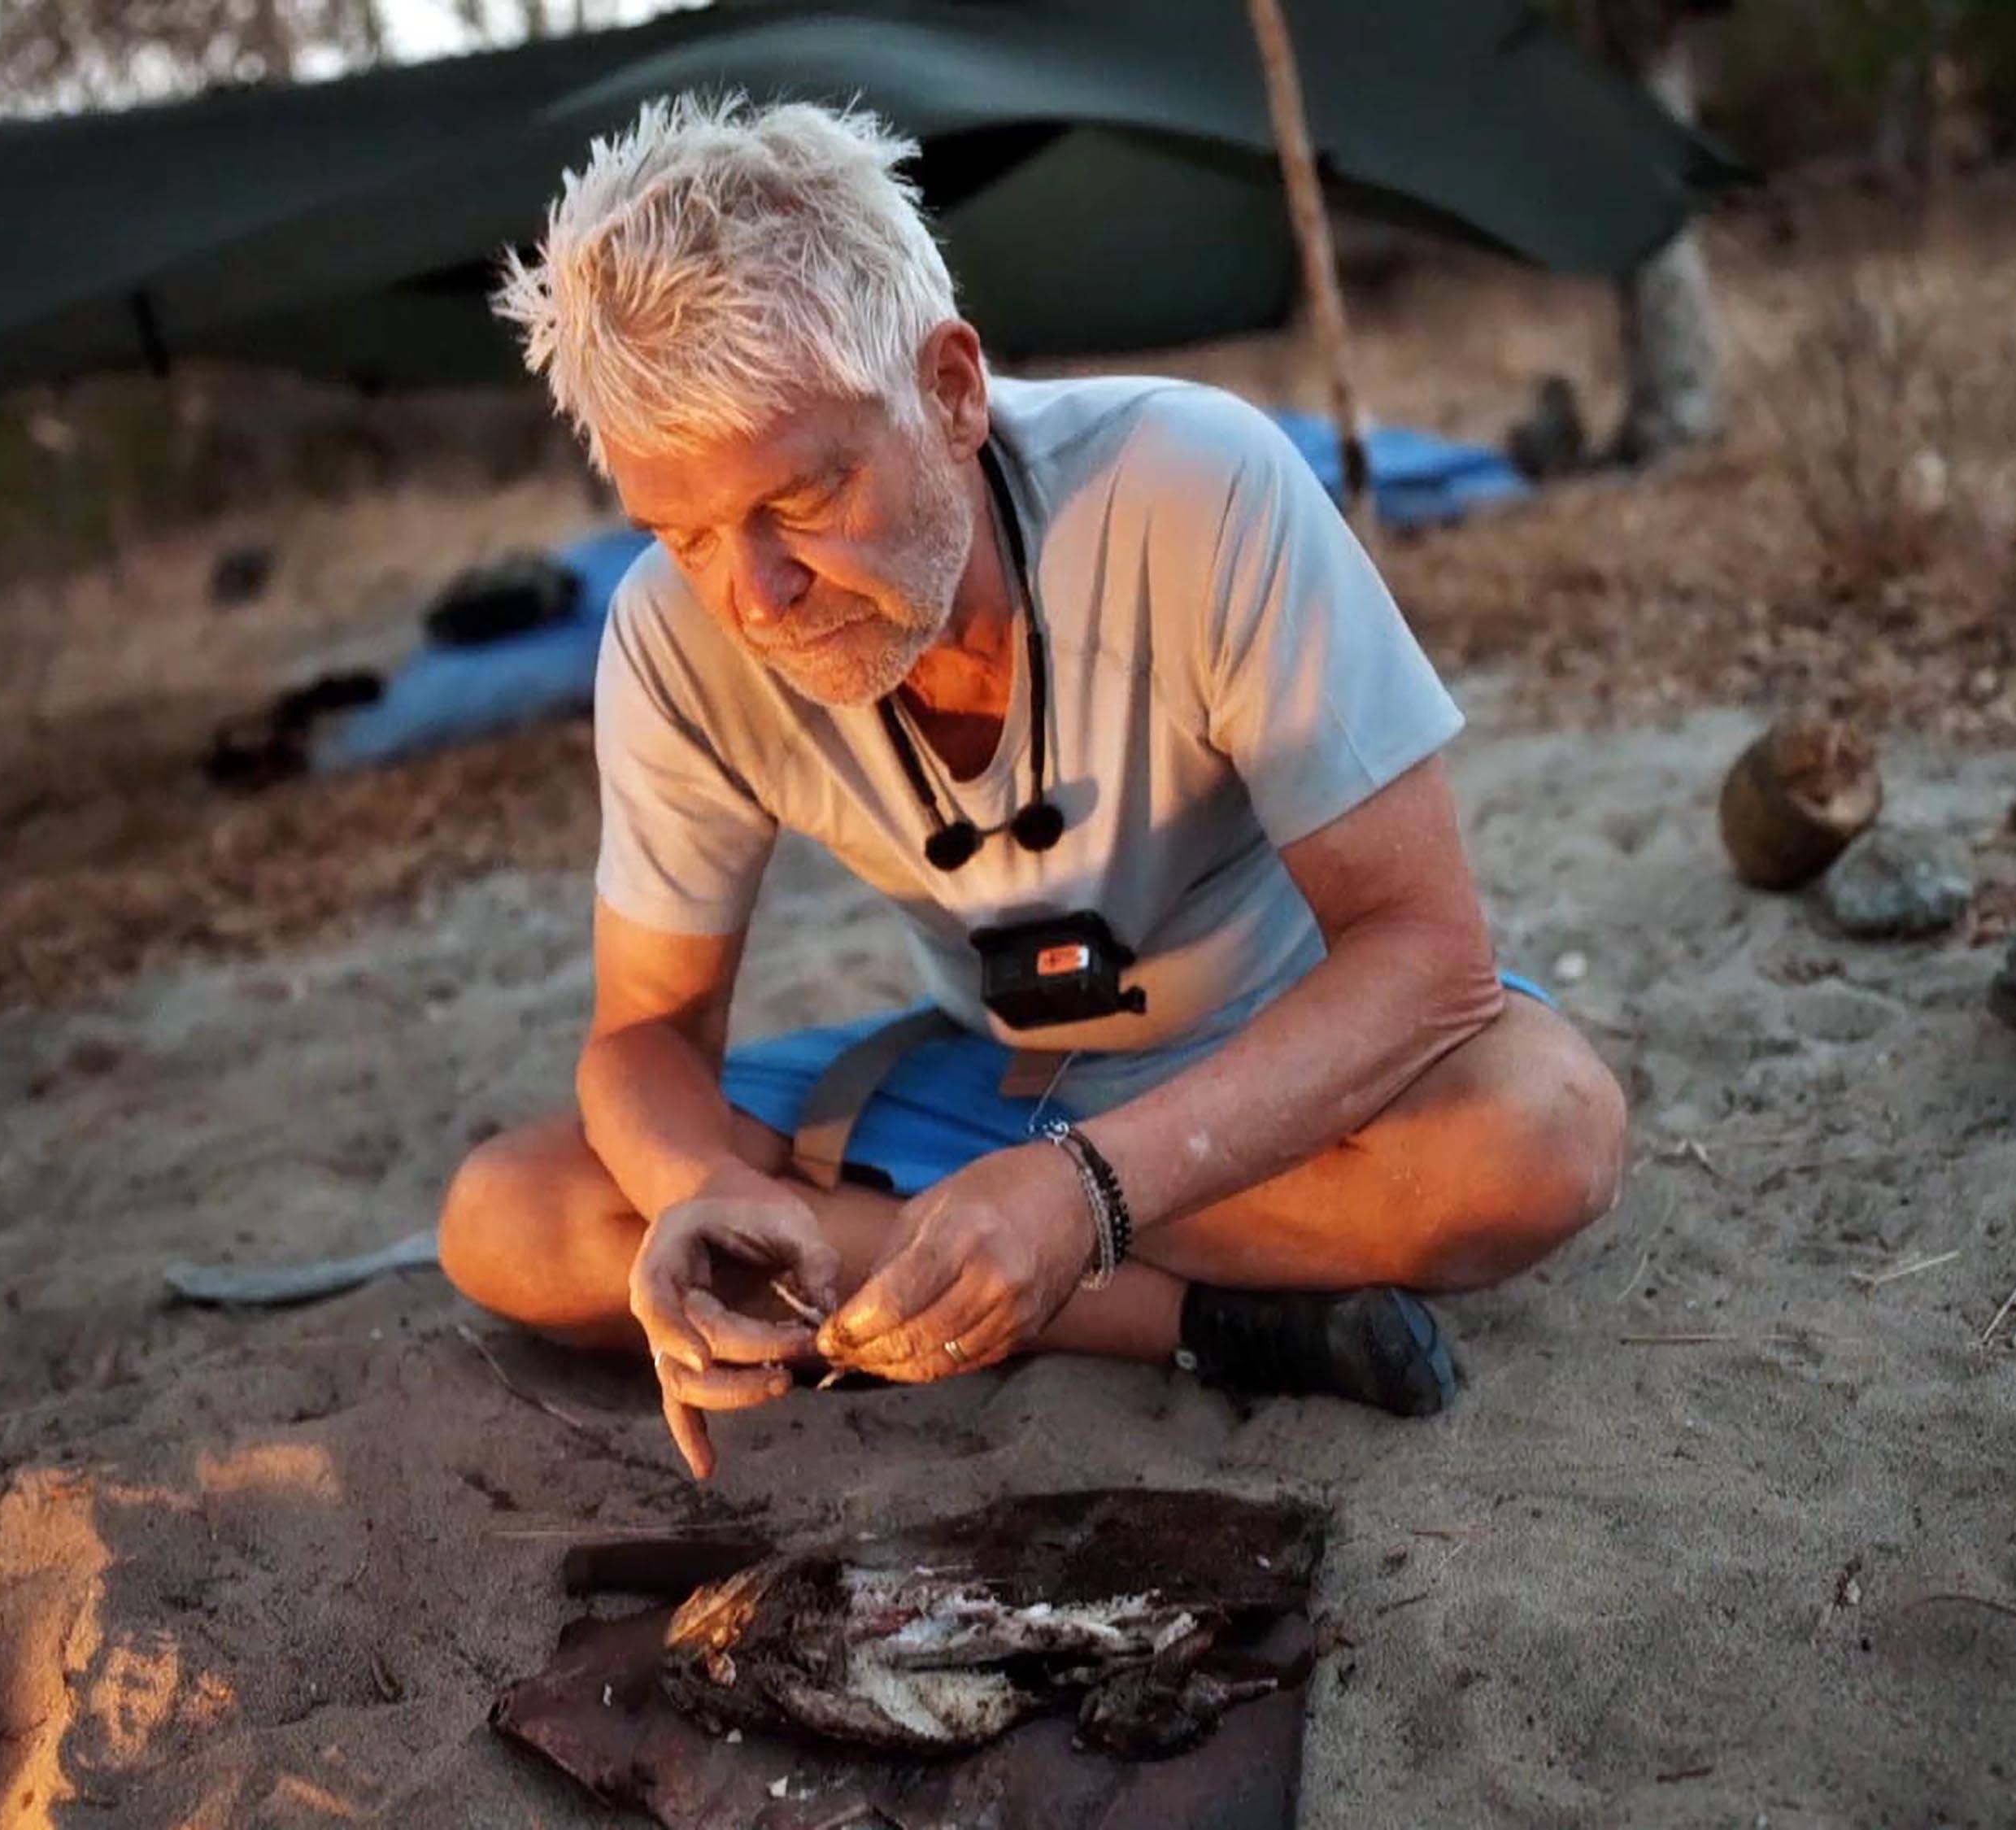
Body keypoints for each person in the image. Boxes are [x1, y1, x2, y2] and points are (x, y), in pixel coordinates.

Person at [440, 94, 1626, 1481]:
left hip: (1272, 1062)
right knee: (511, 1214)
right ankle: (1205, 1324)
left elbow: (1428, 962)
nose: (751, 594)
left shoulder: (1194, 486)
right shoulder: (670, 632)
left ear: (950, 389)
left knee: (1540, 1133)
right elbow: (643, 1037)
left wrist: (1090, 1191)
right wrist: (703, 1194)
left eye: (801, 500)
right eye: (682, 531)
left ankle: (1019, 1256)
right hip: (988, 1082)